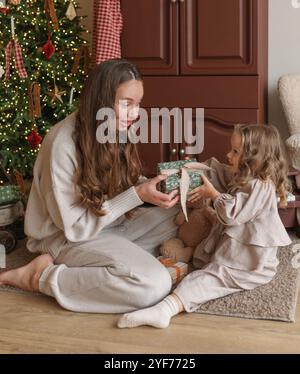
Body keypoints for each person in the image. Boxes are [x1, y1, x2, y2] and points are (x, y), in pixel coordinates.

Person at [0, 60, 180, 314]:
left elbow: (120, 187)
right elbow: (74, 227)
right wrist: (136, 195)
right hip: (65, 237)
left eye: (137, 104)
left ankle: (106, 265)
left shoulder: (114, 127)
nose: (135, 113)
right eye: (126, 103)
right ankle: (40, 276)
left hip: (105, 225)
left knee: (177, 216)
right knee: (153, 283)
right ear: (102, 100)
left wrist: (153, 187)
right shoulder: (63, 144)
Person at [117, 124, 292, 329]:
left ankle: (166, 309)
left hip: (249, 264)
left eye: (235, 152)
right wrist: (193, 170)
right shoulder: (244, 176)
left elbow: (233, 214)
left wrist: (214, 195)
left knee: (208, 279)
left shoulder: (260, 186)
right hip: (239, 252)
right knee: (204, 257)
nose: (228, 154)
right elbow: (218, 170)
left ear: (253, 160)